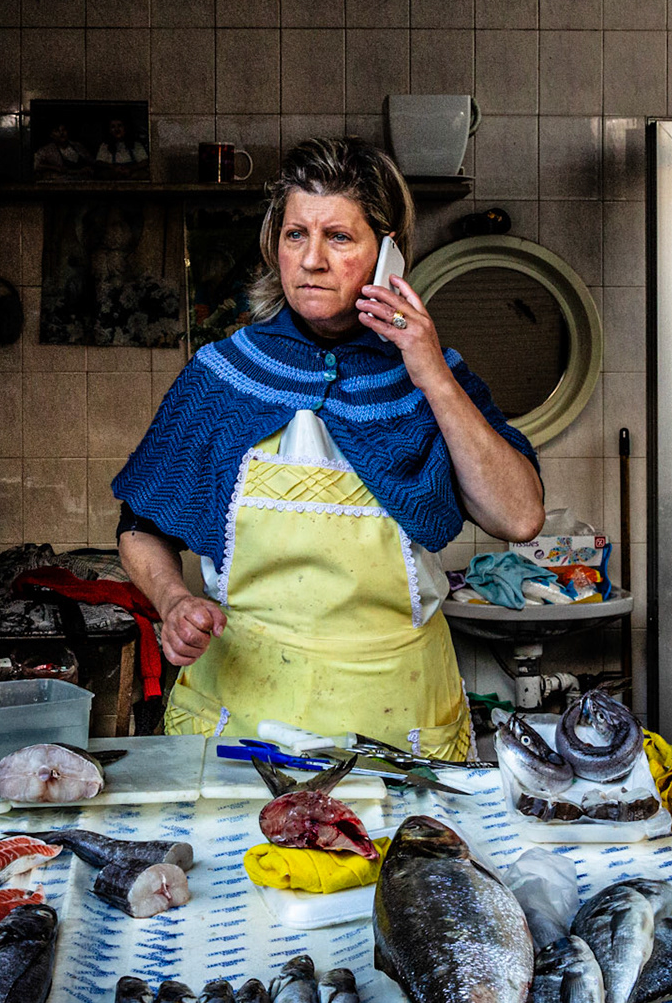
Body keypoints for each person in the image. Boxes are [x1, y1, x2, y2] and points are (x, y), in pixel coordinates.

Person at [112, 137, 544, 759]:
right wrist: (173, 599)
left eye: (338, 237)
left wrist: (429, 371)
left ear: (388, 253)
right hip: (242, 721)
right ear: (274, 245)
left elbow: (519, 517)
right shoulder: (221, 375)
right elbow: (140, 523)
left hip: (400, 725)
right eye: (295, 235)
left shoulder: (436, 378)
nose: (311, 260)